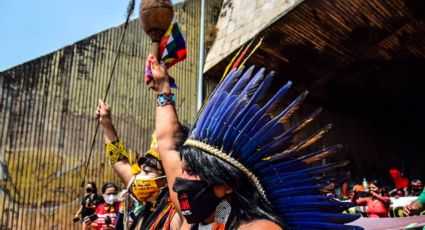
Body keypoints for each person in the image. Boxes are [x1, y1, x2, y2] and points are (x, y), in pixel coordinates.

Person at [149, 55, 361, 229]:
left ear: (228, 185)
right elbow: (166, 143)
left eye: (193, 171)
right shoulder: (200, 218)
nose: (180, 178)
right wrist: (163, 87)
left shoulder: (258, 228)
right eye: (185, 169)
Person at [96, 101, 184, 230]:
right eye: (142, 171)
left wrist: (163, 91)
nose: (140, 177)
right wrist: (106, 122)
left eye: (148, 171)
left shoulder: (178, 214)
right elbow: (119, 161)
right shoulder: (149, 204)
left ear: (167, 179)